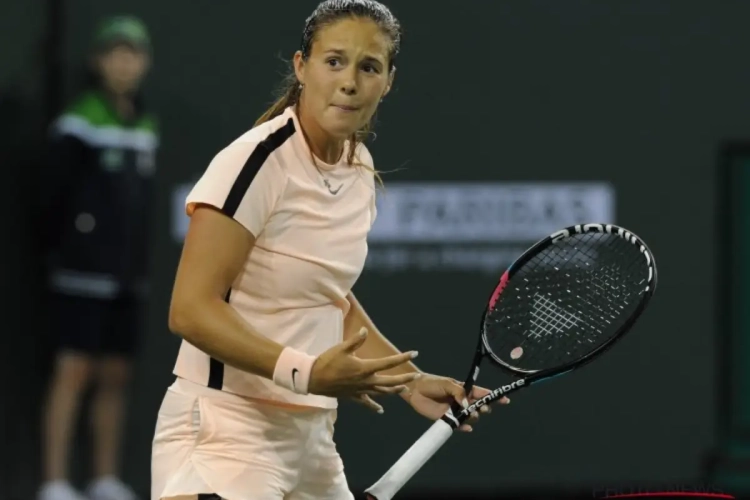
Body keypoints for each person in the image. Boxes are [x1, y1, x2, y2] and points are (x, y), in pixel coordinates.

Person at [151, 1, 508, 499]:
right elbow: (190, 309)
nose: (349, 82)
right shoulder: (256, 163)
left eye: (369, 67)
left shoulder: (358, 167)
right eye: (334, 61)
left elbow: (329, 298)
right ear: (301, 67)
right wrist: (307, 371)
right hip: (224, 429)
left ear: (388, 81)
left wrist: (408, 381)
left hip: (312, 439)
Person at [38, 15, 157, 500]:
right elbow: (50, 200)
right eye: (116, 53)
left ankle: (105, 478)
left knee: (116, 374)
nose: (125, 63)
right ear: (98, 61)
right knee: (73, 372)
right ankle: (55, 482)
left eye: (134, 54)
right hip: (81, 276)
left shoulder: (146, 124)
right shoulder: (78, 122)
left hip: (127, 277)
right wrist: (65, 254)